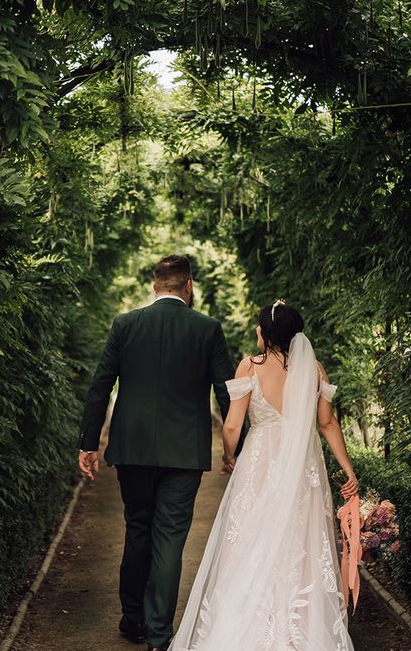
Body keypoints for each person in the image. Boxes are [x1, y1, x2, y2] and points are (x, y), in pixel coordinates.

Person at [169, 300, 359, 651]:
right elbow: (328, 424)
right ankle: (301, 627)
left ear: (266, 334)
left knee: (250, 540)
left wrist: (230, 456)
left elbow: (231, 424)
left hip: (259, 463)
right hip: (304, 466)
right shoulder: (314, 370)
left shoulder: (249, 367)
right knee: (300, 542)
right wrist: (348, 469)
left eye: (259, 327)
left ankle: (248, 625)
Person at [78, 255, 235, 651]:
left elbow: (101, 386)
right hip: (184, 454)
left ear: (155, 286)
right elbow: (227, 393)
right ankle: (160, 635)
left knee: (138, 528)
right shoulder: (207, 329)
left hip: (132, 448)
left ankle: (133, 619)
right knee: (169, 539)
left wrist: (88, 443)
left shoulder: (125, 325)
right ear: (189, 286)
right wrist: (235, 450)